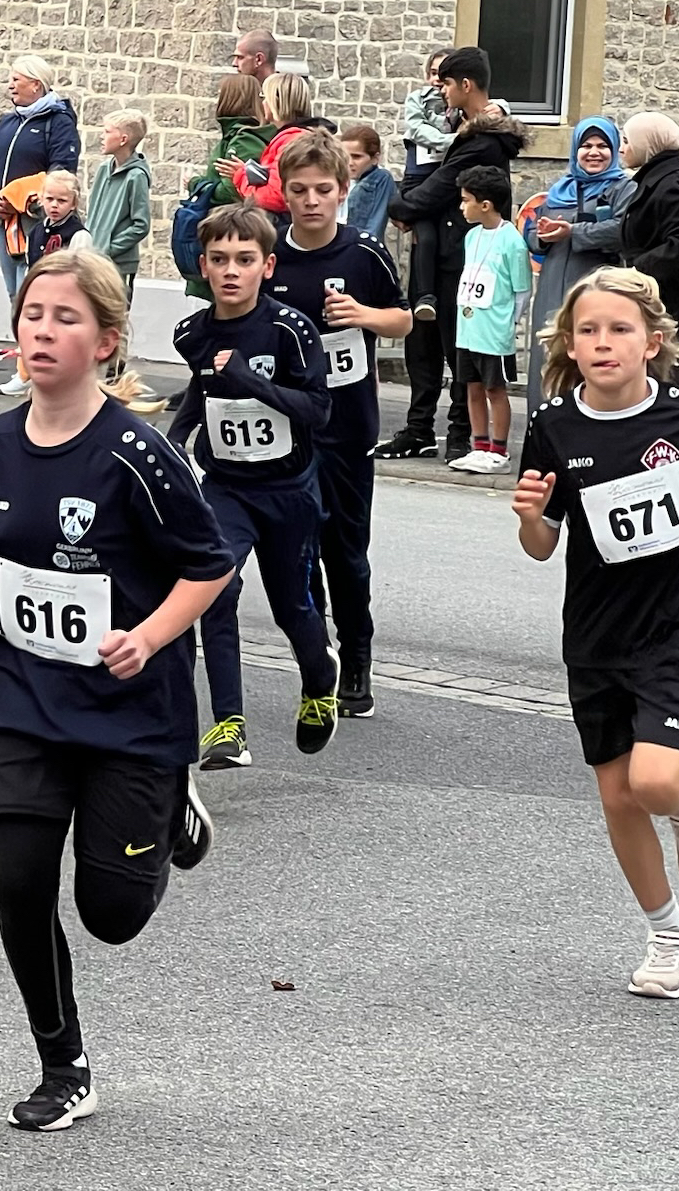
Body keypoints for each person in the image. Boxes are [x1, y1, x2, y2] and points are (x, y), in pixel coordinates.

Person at [0, 247, 233, 1132]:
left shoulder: (138, 456)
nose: (41, 331)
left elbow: (209, 567)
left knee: (111, 914)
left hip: (130, 714)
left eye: (65, 318)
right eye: (33, 314)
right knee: (21, 880)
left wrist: (148, 637)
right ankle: (62, 1064)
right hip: (25, 701)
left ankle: (167, 805)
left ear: (105, 342)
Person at [513, 266, 679, 1001]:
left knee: (655, 780)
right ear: (570, 344)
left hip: (673, 630)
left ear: (652, 342)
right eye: (588, 331)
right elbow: (542, 544)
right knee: (619, 797)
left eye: (620, 329)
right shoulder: (553, 424)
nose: (603, 343)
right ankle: (668, 936)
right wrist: (531, 517)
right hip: (593, 636)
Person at [170, 203, 340, 769]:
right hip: (226, 488)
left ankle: (320, 677)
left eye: (244, 260)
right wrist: (176, 438)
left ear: (267, 267)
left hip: (288, 491)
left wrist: (251, 381)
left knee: (293, 608)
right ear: (203, 265)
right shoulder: (192, 333)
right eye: (219, 259)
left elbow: (317, 410)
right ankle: (229, 726)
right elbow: (202, 388)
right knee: (214, 590)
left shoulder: (290, 330)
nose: (230, 271)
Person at [265, 130, 411, 718]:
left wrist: (363, 315)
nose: (311, 201)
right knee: (298, 551)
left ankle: (357, 660)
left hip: (348, 429)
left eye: (323, 190)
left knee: (345, 553)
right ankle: (317, 654)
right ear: (284, 191)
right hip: (288, 432)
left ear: (343, 190)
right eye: (299, 190)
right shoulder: (270, 255)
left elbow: (403, 320)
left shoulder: (364, 252)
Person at [379, 46, 524, 460]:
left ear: (465, 84)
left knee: (458, 349)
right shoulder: (461, 128)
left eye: (445, 83)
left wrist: (400, 207)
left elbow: (440, 186)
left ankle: (461, 435)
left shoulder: (484, 142)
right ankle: (419, 429)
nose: (440, 90)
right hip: (437, 250)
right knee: (421, 344)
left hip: (462, 258)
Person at [524, 117, 631, 411]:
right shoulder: (560, 190)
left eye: (602, 146)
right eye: (586, 146)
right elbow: (532, 234)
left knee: (590, 357)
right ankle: (543, 427)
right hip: (552, 290)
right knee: (548, 357)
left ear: (614, 150)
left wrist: (573, 232)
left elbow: (622, 230)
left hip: (596, 290)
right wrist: (542, 236)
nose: (593, 152)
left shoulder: (623, 188)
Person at [0, 55, 82, 302]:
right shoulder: (6, 122)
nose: (10, 85)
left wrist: (22, 203)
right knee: (14, 292)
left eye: (16, 79)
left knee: (31, 289)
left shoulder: (59, 123)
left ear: (36, 84)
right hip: (3, 221)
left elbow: (61, 172)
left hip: (34, 222)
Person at [449, 162, 532, 473]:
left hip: (494, 331)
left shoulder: (512, 241)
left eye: (465, 200)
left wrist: (509, 324)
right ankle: (479, 446)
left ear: (485, 204)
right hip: (468, 328)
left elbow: (522, 290)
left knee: (494, 389)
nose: (461, 207)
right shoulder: (471, 237)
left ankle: (499, 450)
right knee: (471, 388)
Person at [617, 112, 679, 383]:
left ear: (647, 144)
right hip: (654, 292)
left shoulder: (670, 184)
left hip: (665, 296)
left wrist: (637, 271)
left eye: (627, 141)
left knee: (664, 373)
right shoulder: (657, 178)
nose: (621, 148)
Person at [181, 73, 266, 300]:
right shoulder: (233, 135)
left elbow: (231, 190)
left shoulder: (244, 139)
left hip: (230, 232)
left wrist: (196, 184)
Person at [231, 72, 327, 214]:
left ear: (276, 101)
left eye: (264, 97)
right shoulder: (298, 136)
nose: (263, 103)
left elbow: (273, 197)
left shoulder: (291, 141)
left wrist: (241, 177)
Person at [84, 109, 154, 292]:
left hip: (119, 266)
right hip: (92, 261)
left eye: (107, 132)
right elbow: (93, 215)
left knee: (115, 309)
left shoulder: (136, 176)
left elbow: (141, 225)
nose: (101, 136)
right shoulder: (103, 169)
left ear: (123, 139)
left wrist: (109, 249)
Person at [399, 47, 456, 179]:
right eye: (434, 73)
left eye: (443, 73)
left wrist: (500, 107)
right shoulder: (417, 98)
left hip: (448, 167)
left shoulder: (460, 99)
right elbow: (417, 128)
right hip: (419, 170)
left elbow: (483, 102)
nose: (437, 78)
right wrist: (452, 140)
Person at [341, 124, 395, 241]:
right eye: (345, 156)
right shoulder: (336, 177)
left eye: (356, 157)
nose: (349, 163)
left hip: (358, 244)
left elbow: (376, 224)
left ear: (375, 158)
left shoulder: (381, 179)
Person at [25, 171, 86, 260]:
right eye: (49, 199)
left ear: (74, 203)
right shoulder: (34, 232)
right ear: (42, 199)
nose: (54, 205)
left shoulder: (79, 235)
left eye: (62, 200)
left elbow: (82, 266)